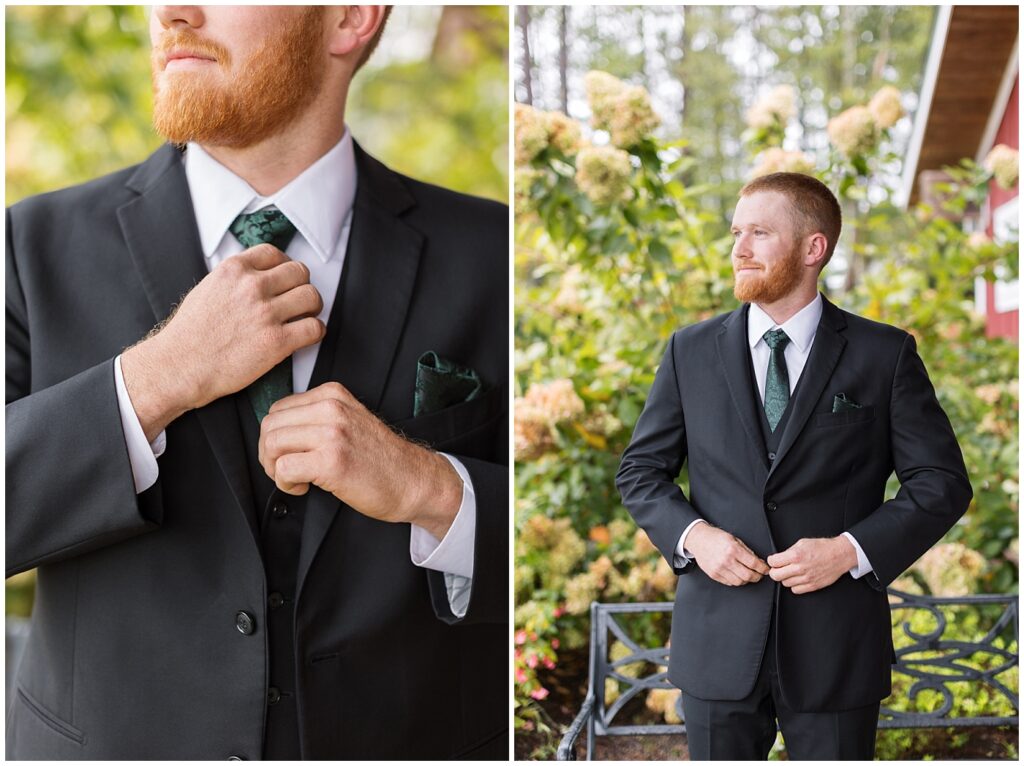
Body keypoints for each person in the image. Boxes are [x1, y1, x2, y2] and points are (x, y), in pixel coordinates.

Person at [6, 6, 507, 760]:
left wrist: (431, 490)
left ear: (350, 19)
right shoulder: (27, 245)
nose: (172, 12)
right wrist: (155, 380)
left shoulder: (491, 253)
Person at [616, 172, 971, 760]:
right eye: (736, 233)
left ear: (814, 248)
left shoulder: (884, 355)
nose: (739, 249)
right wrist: (695, 536)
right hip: (717, 644)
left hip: (836, 646)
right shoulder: (689, 351)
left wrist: (849, 550)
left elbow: (941, 483)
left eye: (759, 232)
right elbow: (640, 471)